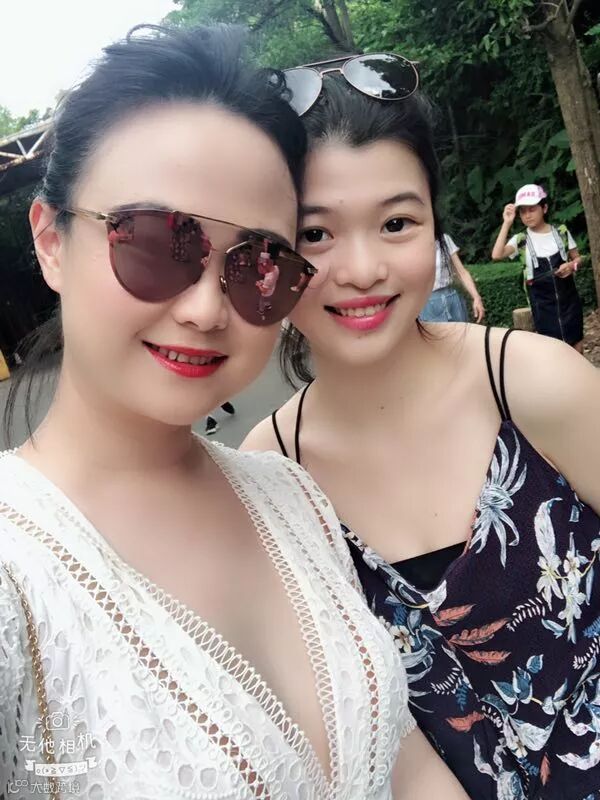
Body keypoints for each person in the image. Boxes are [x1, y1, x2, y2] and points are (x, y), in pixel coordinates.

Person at [0, 26, 467, 800]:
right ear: (52, 240)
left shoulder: (292, 496)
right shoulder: (17, 569)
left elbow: (401, 755)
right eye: (154, 244)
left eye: (259, 264)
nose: (206, 309)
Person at [243, 56, 600, 799]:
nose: (362, 268)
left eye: (397, 223)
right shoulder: (272, 474)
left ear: (436, 227)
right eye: (315, 233)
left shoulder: (533, 382)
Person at [491, 183, 584, 352]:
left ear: (544, 208)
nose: (527, 215)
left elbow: (579, 258)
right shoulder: (521, 240)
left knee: (577, 347)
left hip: (570, 303)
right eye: (523, 211)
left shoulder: (561, 232)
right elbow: (496, 255)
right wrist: (507, 223)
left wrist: (572, 265)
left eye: (532, 209)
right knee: (552, 352)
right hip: (543, 309)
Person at [420, 233, 485, 323]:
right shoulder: (410, 244)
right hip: (427, 304)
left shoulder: (444, 239)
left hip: (452, 298)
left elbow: (461, 272)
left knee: (462, 331)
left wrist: (476, 297)